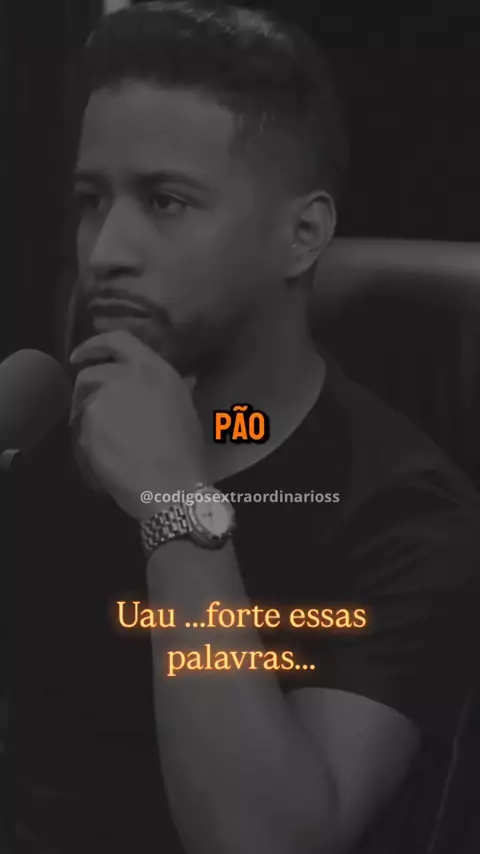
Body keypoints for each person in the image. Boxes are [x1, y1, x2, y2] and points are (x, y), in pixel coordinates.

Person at [14, 2, 480, 852]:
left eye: (166, 201)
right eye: (91, 200)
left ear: (302, 234)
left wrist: (174, 504)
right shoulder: (51, 435)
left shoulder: (407, 522)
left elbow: (263, 840)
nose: (105, 250)